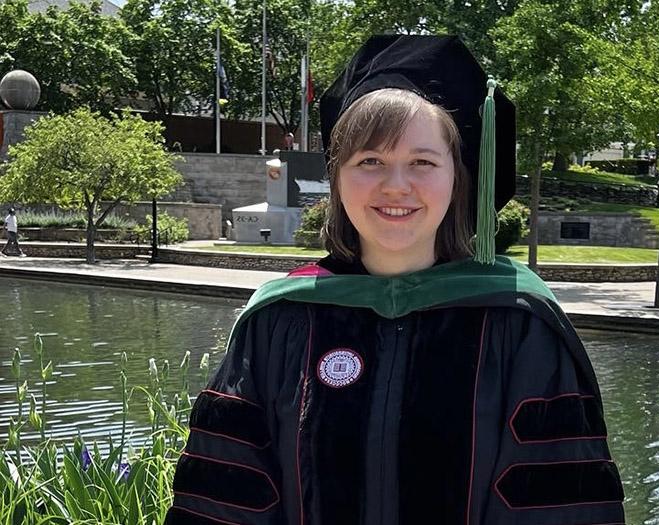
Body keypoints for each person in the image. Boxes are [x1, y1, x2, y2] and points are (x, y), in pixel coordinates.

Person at [166, 35, 624, 525]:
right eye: (370, 161)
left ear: (458, 177)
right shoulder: (279, 320)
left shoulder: (517, 326)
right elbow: (225, 500)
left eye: (423, 162)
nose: (396, 185)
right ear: (338, 178)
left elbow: (561, 505)